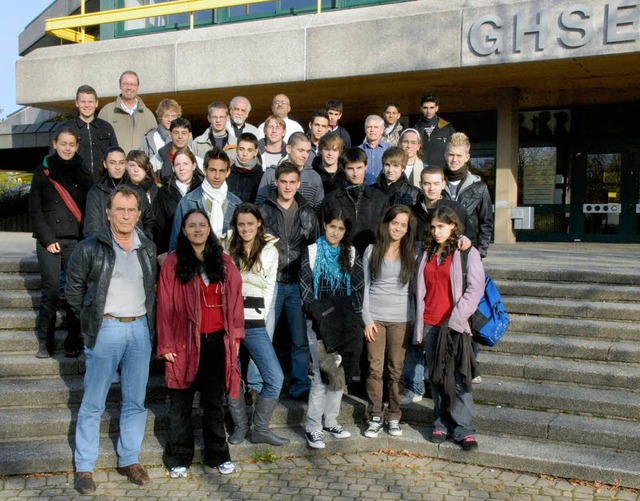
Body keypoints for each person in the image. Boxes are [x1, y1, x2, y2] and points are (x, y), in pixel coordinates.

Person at [66, 186, 157, 494]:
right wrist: (90, 321)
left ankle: (129, 459)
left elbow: (152, 290)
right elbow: (74, 290)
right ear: (108, 213)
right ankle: (85, 467)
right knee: (93, 402)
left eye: (132, 210)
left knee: (136, 401)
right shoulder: (90, 247)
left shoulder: (147, 247)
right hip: (106, 329)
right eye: (120, 209)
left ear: (139, 214)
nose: (126, 215)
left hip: (139, 329)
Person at [156, 209, 244, 478]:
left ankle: (218, 454)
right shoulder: (172, 263)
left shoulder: (224, 262)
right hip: (183, 342)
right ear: (183, 230)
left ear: (209, 229)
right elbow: (164, 306)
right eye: (191, 225)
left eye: (202, 225)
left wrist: (236, 337)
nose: (197, 230)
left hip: (217, 341)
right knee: (181, 402)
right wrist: (166, 344)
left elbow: (237, 301)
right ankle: (178, 456)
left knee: (214, 402)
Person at [415, 205, 484, 451]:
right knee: (436, 377)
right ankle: (441, 423)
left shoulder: (466, 252)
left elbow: (475, 289)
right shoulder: (426, 252)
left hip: (455, 325)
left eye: (441, 227)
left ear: (453, 226)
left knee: (459, 378)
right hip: (431, 322)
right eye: (433, 227)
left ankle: (464, 429)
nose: (436, 232)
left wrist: (457, 318)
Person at [403, 166, 471, 404]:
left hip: (446, 286)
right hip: (418, 277)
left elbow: (467, 241)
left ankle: (438, 390)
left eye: (435, 183)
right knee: (416, 337)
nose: (431, 188)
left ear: (443, 184)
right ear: (421, 184)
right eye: (426, 183)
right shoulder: (412, 211)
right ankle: (414, 386)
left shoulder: (456, 210)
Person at [300, 209, 364, 449]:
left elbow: (358, 285)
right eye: (332, 227)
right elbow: (306, 289)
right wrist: (321, 316)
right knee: (322, 374)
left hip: (345, 320)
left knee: (340, 372)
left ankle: (331, 420)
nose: (335, 232)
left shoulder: (351, 253)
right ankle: (313, 427)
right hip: (320, 321)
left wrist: (352, 317)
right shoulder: (312, 251)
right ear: (324, 226)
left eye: (340, 228)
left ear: (345, 231)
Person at [226, 203, 289, 446]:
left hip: (255, 322)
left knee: (274, 377)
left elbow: (269, 287)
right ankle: (241, 426)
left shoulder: (270, 250)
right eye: (241, 224)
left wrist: (263, 317)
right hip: (230, 321)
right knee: (233, 377)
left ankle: (260, 428)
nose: (245, 228)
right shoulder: (227, 246)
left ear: (259, 223)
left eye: (250, 223)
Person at [29, 128, 93, 359]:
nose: (67, 148)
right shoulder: (42, 172)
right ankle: (45, 342)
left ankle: (73, 340)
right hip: (49, 240)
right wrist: (48, 239)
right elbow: (35, 209)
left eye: (71, 144)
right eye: (63, 143)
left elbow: (89, 209)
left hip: (76, 240)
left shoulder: (84, 173)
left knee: (75, 293)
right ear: (55, 144)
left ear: (77, 146)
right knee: (52, 291)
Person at [258, 162, 320, 400]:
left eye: (292, 182)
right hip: (270, 283)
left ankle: (300, 385)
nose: (287, 186)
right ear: (276, 182)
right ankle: (259, 385)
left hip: (297, 283)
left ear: (298, 184)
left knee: (300, 340)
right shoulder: (262, 210)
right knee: (263, 338)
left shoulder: (308, 212)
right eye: (283, 181)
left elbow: (314, 249)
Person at [362, 205, 416, 439]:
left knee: (396, 370)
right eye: (395, 223)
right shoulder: (372, 250)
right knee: (375, 368)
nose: (398, 228)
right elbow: (363, 286)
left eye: (403, 225)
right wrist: (366, 319)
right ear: (387, 223)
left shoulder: (413, 252)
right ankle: (374, 415)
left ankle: (394, 415)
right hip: (375, 318)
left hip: (401, 319)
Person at [169, 148, 241, 251]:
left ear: (228, 172)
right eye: (212, 170)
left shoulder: (236, 204)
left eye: (221, 171)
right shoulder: (187, 202)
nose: (217, 176)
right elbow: (175, 243)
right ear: (204, 169)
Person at [321, 147, 389, 257]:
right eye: (350, 169)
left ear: (365, 167)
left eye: (359, 168)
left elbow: (386, 233)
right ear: (343, 168)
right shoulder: (331, 199)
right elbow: (323, 233)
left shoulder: (379, 198)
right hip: (340, 258)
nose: (355, 173)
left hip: (372, 257)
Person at [83, 146, 155, 240]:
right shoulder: (96, 191)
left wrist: (143, 241)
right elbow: (92, 226)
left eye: (121, 163)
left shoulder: (137, 191)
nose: (117, 167)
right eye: (113, 163)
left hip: (134, 247)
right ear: (105, 164)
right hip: (105, 247)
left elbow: (149, 221)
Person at [442, 132, 493, 258]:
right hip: (441, 251)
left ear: (467, 157)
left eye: (459, 155)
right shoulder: (435, 184)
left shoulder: (479, 187)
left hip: (469, 252)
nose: (454, 159)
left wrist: (479, 253)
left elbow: (486, 223)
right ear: (445, 155)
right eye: (451, 155)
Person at [153, 149, 204, 262]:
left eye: (186, 164)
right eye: (177, 164)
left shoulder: (202, 190)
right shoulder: (164, 192)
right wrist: (161, 252)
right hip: (172, 251)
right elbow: (158, 225)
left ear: (194, 165)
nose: (181, 168)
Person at [255, 132, 324, 212]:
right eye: (301, 150)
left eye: (308, 151)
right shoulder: (271, 174)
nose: (305, 155)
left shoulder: (314, 177)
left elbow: (319, 209)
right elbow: (259, 207)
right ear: (288, 149)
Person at [61, 85, 118, 179]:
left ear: (96, 103)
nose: (87, 105)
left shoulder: (106, 128)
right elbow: (54, 160)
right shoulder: (65, 129)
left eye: (90, 102)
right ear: (76, 103)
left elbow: (116, 156)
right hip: (75, 184)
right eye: (83, 101)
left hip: (103, 185)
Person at [98, 70, 157, 154]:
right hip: (115, 166)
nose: (129, 88)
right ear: (120, 85)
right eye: (125, 84)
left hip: (141, 166)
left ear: (137, 87)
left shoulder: (148, 115)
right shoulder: (107, 112)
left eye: (132, 84)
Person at [151, 118, 203, 183]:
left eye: (184, 133)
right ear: (170, 134)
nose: (180, 136)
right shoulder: (157, 160)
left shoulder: (199, 162)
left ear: (190, 135)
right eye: (176, 133)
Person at [414, 94, 455, 168]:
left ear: (437, 108)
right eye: (425, 108)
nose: (428, 111)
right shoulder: (415, 128)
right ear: (421, 108)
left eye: (431, 107)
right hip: (421, 170)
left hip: (443, 171)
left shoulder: (447, 127)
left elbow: (455, 149)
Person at [227, 132, 263, 203]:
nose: (245, 154)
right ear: (236, 150)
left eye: (249, 150)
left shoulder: (262, 177)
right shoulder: (227, 174)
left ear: (255, 152)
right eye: (241, 149)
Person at [359, 115, 391, 185]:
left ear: (382, 130)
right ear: (365, 129)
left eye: (376, 127)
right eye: (369, 127)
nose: (372, 130)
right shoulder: (358, 151)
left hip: (384, 190)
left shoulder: (390, 149)